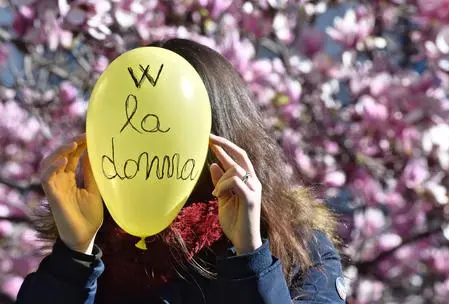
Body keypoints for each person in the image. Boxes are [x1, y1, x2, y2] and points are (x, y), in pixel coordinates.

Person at [16, 38, 346, 304]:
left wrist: (251, 257)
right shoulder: (97, 244)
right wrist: (73, 257)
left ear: (219, 134)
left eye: (166, 127)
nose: (146, 146)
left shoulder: (300, 249)